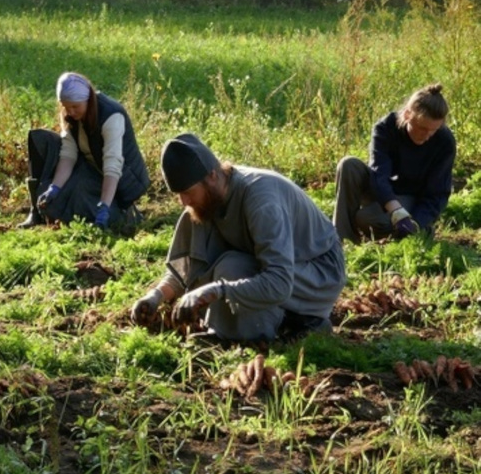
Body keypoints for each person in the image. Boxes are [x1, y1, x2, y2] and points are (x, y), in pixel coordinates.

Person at [131, 133, 346, 347]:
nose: (183, 201)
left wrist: (217, 290)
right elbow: (188, 269)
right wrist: (155, 296)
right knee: (228, 268)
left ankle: (301, 322)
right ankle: (236, 331)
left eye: (187, 192)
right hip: (280, 269)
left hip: (318, 271)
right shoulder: (206, 202)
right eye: (178, 194)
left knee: (232, 267)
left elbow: (280, 281)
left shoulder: (261, 201)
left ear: (212, 176)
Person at [18, 72, 150, 230]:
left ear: (88, 100)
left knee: (84, 195)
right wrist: (55, 187)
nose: (71, 112)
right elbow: (68, 155)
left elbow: (112, 165)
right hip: (90, 169)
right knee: (40, 140)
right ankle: (37, 211)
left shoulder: (111, 116)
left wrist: (104, 206)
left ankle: (120, 212)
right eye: (66, 107)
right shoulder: (70, 115)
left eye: (75, 106)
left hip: (121, 181)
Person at [333, 84, 456, 243]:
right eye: (422, 128)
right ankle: (341, 240)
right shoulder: (385, 128)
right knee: (348, 165)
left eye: (433, 130)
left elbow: (437, 193)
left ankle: (419, 232)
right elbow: (378, 173)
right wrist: (396, 211)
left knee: (367, 219)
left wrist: (416, 223)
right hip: (383, 190)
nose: (427, 135)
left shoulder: (444, 142)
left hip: (411, 197)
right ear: (407, 115)